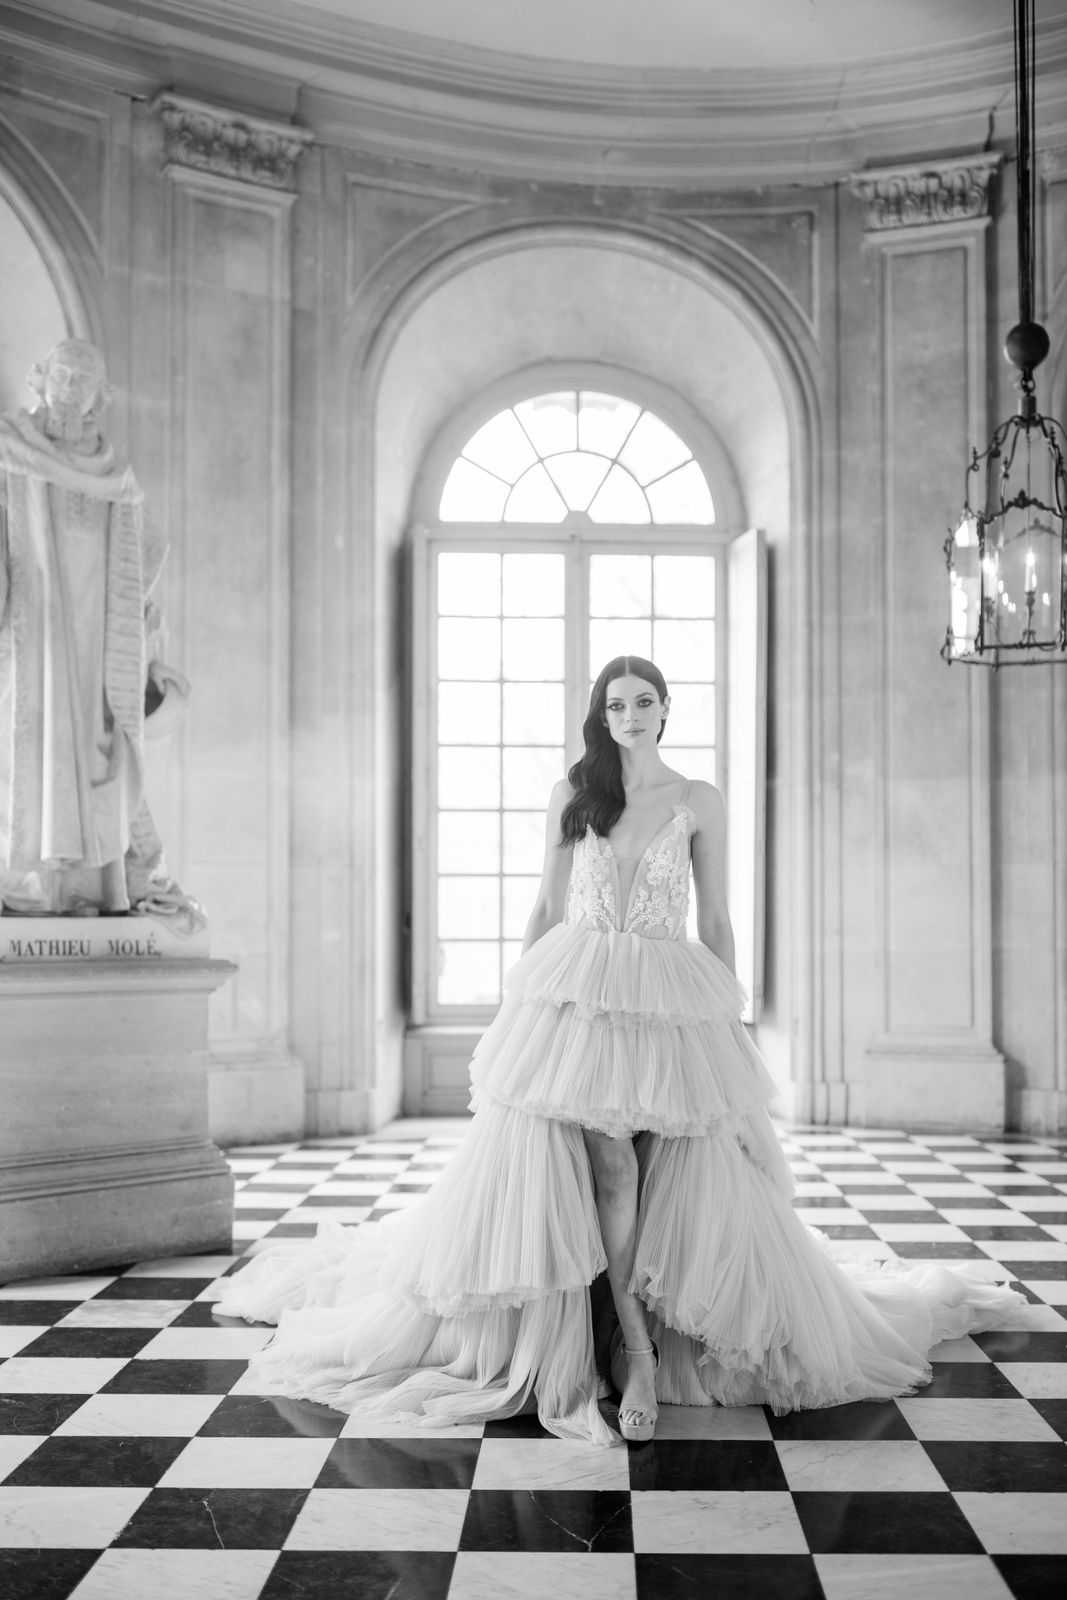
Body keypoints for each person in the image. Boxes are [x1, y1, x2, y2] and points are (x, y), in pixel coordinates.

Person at [215, 654, 1024, 1445]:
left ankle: (637, 1332)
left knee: (668, 1170)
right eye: (614, 705)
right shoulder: (576, 793)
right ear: (600, 716)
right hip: (581, 991)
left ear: (666, 708)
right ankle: (632, 1353)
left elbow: (716, 919)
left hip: (669, 998)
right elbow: (544, 901)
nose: (629, 717)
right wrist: (517, 1001)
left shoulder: (697, 798)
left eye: (642, 702)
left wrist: (728, 1016)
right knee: (609, 1167)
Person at [0, 337, 195, 920]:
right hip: (35, 635)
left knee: (96, 749)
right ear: (42, 380)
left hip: (95, 645)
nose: (67, 387)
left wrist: (144, 628)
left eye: (80, 380)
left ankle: (92, 885)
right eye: (60, 374)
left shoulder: (116, 476)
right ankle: (29, 880)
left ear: (96, 397)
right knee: (29, 739)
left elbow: (145, 558)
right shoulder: (13, 453)